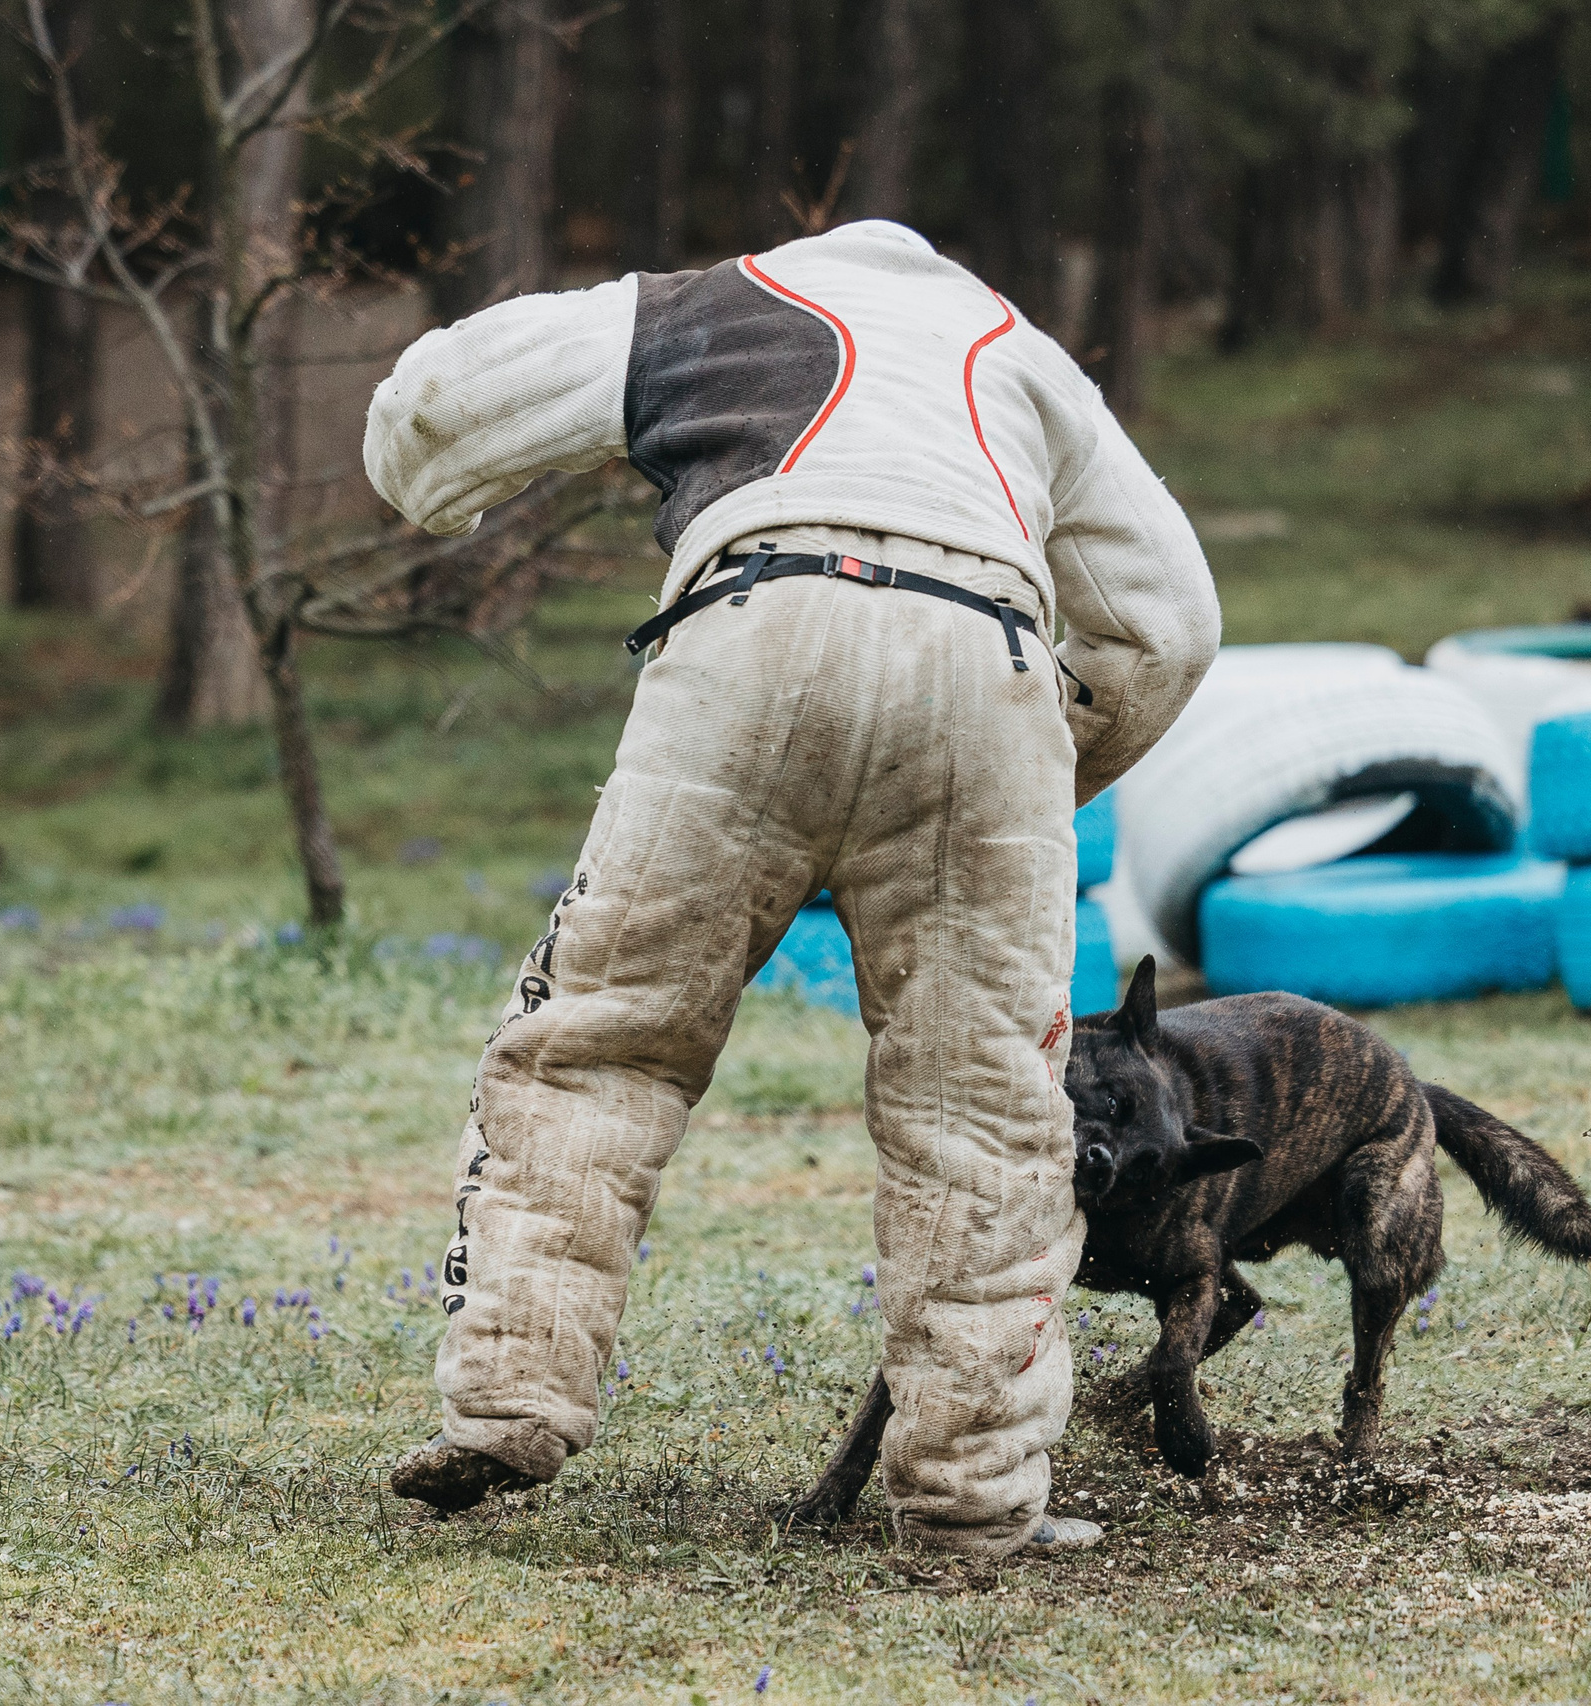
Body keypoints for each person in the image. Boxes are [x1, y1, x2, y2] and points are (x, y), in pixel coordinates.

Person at [362, 219, 1218, 1557]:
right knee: (985, 1108)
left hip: (753, 621)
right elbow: (1172, 622)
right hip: (985, 649)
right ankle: (974, 1497)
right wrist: (1031, 780)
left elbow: (431, 409)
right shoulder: (1021, 353)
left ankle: (510, 1398)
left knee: (604, 1038)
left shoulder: (697, 309)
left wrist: (430, 486)